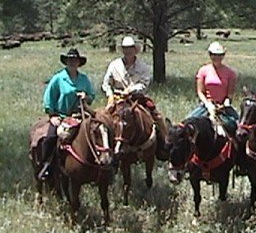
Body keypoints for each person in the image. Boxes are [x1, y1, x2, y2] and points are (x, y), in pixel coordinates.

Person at [102, 35, 168, 157]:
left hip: (136, 97)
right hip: (117, 98)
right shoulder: (114, 65)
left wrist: (131, 90)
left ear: (135, 50)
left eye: (130, 48)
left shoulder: (143, 66)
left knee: (156, 115)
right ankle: (107, 149)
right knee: (104, 119)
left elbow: (144, 84)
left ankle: (165, 143)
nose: (128, 51)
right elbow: (106, 83)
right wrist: (110, 95)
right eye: (125, 49)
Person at [39, 48, 95, 179]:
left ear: (78, 62)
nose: (72, 62)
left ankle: (101, 167)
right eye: (70, 60)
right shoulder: (58, 78)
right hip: (62, 116)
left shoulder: (84, 79)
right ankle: (46, 166)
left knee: (98, 133)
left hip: (80, 115)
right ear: (66, 61)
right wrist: (52, 115)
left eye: (75, 60)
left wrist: (85, 96)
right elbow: (49, 98)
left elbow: (92, 96)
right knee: (51, 138)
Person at [189, 41, 239, 134]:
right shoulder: (203, 70)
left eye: (220, 55)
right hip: (206, 105)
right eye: (214, 54)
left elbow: (230, 93)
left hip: (223, 107)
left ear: (223, 56)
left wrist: (225, 103)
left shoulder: (230, 73)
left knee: (237, 125)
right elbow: (200, 92)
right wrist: (208, 104)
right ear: (210, 55)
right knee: (188, 123)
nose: (217, 57)